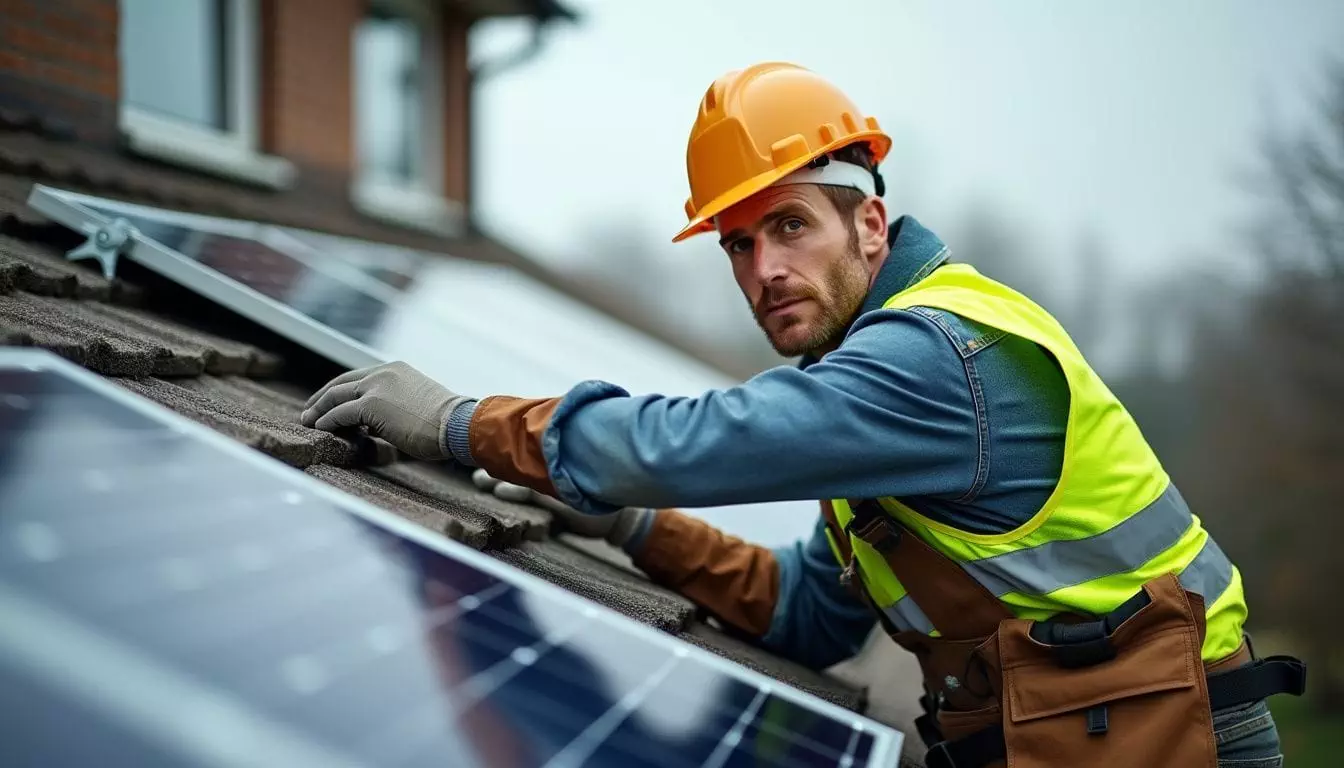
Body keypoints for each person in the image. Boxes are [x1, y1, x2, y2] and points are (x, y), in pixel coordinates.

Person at [303, 62, 1304, 767]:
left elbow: (701, 441)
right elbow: (808, 616)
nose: (763, 269)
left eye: (789, 225)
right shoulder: (875, 398)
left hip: (1171, 746)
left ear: (870, 224)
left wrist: (455, 420)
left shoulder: (934, 358)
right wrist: (631, 526)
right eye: (736, 244)